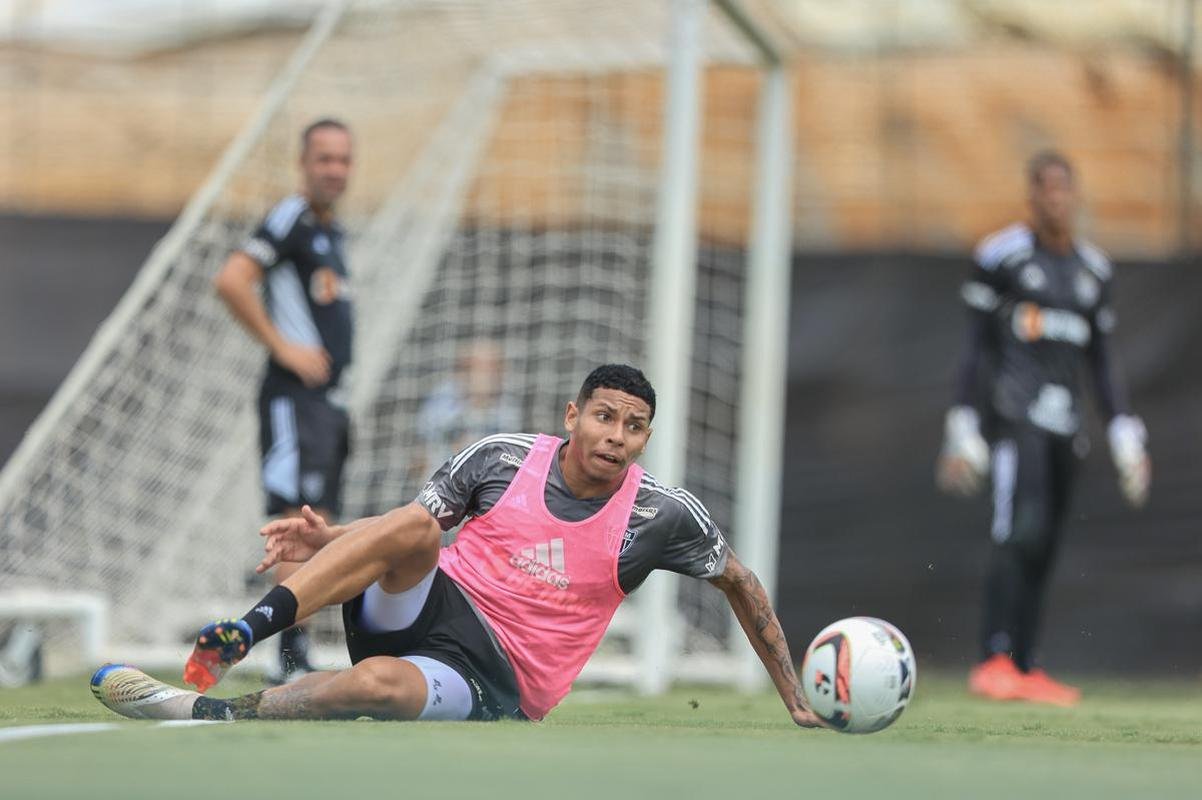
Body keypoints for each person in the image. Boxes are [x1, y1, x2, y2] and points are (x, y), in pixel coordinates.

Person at [91, 364, 821, 727]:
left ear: (646, 438)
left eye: (633, 427)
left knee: (379, 688)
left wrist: (794, 699)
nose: (615, 436)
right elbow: (405, 529)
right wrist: (332, 537)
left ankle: (211, 714)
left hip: (496, 683)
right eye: (603, 417)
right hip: (427, 605)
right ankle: (243, 632)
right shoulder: (503, 458)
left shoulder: (662, 515)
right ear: (574, 416)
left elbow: (742, 584)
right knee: (415, 527)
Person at [936, 150, 1151, 706]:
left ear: (1075, 195)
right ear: (1031, 197)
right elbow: (974, 349)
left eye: (1063, 188)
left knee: (1047, 544)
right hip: (1014, 419)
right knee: (1018, 531)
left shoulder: (1094, 272)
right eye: (1043, 188)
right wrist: (963, 424)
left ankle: (1027, 665)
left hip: (1065, 427)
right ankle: (993, 659)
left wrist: (1125, 433)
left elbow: (1102, 362)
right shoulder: (1001, 256)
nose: (1054, 198)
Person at [211, 118, 355, 682]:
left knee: (322, 528)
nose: (335, 170)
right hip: (294, 400)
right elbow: (231, 279)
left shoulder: (331, 232)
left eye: (343, 160)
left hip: (328, 405)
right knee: (296, 523)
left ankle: (301, 654)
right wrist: (284, 348)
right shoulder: (290, 217)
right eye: (324, 159)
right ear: (304, 163)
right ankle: (288, 658)